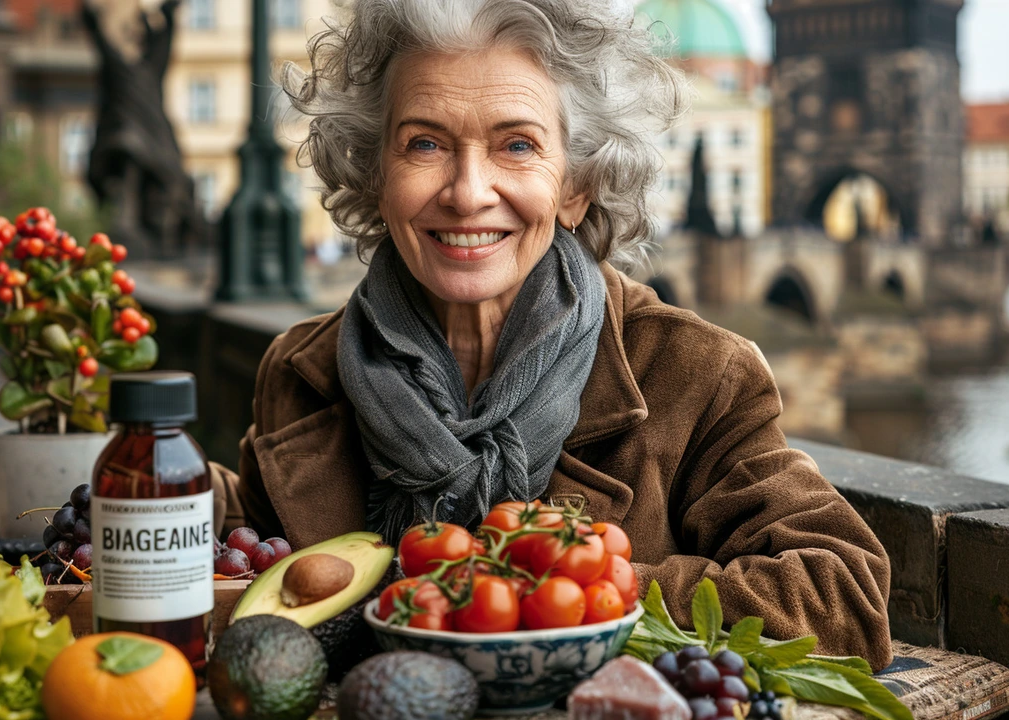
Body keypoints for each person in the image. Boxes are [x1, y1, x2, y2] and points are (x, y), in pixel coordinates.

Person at [211, 0, 892, 669]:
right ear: (375, 174)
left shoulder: (695, 372)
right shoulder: (305, 370)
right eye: (424, 143)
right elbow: (253, 549)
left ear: (575, 186)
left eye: (517, 145)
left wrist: (564, 590)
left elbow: (841, 593)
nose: (468, 191)